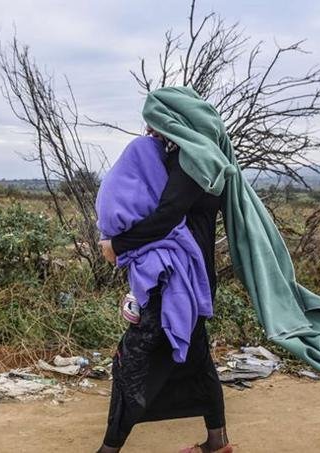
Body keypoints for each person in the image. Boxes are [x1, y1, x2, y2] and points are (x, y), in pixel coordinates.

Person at [96, 127, 232, 453]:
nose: (149, 130)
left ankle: (109, 449)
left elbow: (167, 217)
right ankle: (218, 442)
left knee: (133, 360)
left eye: (155, 122)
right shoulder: (205, 159)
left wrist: (118, 244)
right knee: (198, 359)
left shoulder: (188, 162)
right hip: (190, 278)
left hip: (175, 281)